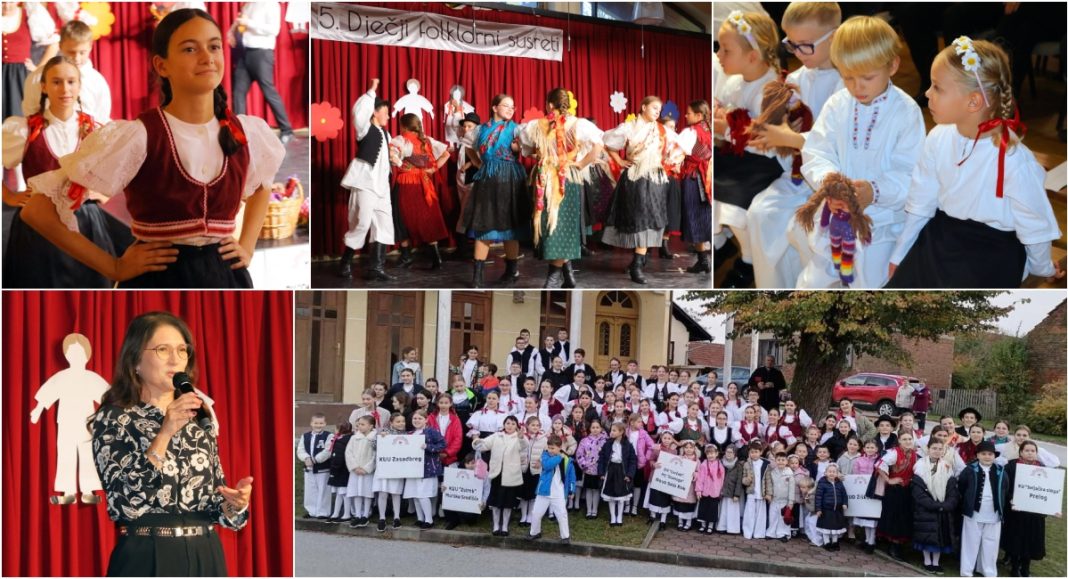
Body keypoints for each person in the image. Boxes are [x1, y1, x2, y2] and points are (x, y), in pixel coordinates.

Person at [22, 9, 284, 289]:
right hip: (159, 279)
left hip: (226, 277)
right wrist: (114, 265)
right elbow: (37, 210)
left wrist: (247, 245)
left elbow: (262, 185)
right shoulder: (139, 135)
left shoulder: (245, 133)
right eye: (190, 48)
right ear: (162, 66)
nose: (207, 57)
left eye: (214, 46)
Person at [887, 38, 1062, 288]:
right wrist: (900, 254)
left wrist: (1042, 268)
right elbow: (921, 202)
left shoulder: (1014, 160)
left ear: (973, 101)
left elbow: (1034, 227)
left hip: (991, 252)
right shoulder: (938, 136)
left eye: (937, 87)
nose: (926, 93)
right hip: (941, 237)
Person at [90, 311, 251, 576]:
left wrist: (234, 503)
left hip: (205, 554)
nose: (176, 359)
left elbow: (214, 505)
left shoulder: (199, 415)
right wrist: (164, 433)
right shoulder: (115, 418)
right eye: (163, 349)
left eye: (182, 350)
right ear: (135, 361)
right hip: (147, 555)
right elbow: (126, 502)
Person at [796, 15, 925, 288]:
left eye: (867, 77)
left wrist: (874, 191)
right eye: (848, 76)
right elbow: (817, 150)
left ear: (892, 65)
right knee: (811, 284)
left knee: (869, 286)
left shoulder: (906, 113)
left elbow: (911, 173)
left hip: (880, 224)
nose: (857, 87)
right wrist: (831, 183)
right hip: (834, 214)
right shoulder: (837, 104)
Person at [3, 55, 130, 288]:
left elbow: (125, 168)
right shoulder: (25, 130)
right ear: (44, 86)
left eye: (71, 82)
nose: (65, 89)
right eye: (56, 82)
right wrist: (9, 195)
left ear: (80, 86)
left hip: (86, 223)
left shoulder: (96, 128)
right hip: (37, 229)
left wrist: (103, 194)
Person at [747, 2, 844, 288]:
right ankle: (774, 292)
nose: (798, 53)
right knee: (760, 213)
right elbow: (786, 141)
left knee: (806, 232)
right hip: (799, 176)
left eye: (806, 45)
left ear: (835, 37)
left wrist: (792, 138)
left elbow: (839, 145)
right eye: (792, 45)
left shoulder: (848, 82)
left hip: (832, 183)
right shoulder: (795, 80)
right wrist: (782, 135)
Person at [712, 10, 782, 287]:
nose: (719, 56)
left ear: (752, 56)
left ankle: (749, 260)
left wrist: (724, 126)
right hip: (735, 156)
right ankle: (718, 241)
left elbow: (763, 137)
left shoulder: (771, 89)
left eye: (726, 50)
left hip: (762, 162)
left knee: (734, 204)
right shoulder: (733, 80)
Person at [519, 88, 603, 288]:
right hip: (567, 176)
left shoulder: (537, 125)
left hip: (550, 177)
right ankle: (568, 275)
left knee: (555, 225)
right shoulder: (580, 124)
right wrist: (580, 164)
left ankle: (553, 275)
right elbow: (598, 146)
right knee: (557, 225)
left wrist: (543, 156)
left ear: (549, 105)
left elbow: (526, 148)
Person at [603, 94, 681, 284]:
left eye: (659, 110)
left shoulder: (663, 130)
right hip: (635, 178)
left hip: (655, 179)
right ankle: (637, 261)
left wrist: (672, 161)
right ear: (643, 107)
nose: (657, 112)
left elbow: (679, 148)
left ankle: (637, 264)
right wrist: (619, 160)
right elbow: (608, 143)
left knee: (650, 219)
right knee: (637, 220)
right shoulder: (629, 127)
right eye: (654, 108)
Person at [462, 93, 527, 288]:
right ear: (494, 107)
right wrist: (478, 162)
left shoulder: (516, 130)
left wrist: (518, 149)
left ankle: (512, 270)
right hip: (488, 179)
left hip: (510, 178)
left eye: (512, 107)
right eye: (506, 105)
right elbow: (468, 147)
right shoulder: (479, 130)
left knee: (510, 226)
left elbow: (529, 149)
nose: (510, 109)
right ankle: (477, 276)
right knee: (484, 225)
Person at [338, 78, 394, 280]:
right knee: (361, 223)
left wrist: (394, 158)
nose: (388, 115)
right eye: (385, 111)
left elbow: (385, 158)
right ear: (374, 112)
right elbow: (359, 113)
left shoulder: (386, 135)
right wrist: (371, 92)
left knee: (383, 223)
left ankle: (376, 268)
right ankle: (345, 262)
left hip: (382, 185)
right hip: (366, 182)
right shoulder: (365, 129)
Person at [389, 112, 450, 269]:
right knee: (426, 218)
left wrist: (398, 161)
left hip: (406, 183)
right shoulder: (426, 140)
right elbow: (446, 154)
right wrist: (431, 170)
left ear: (403, 125)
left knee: (400, 218)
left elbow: (392, 155)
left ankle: (406, 257)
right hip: (423, 182)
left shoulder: (400, 140)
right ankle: (437, 258)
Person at [228, 2, 294, 144]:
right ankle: (240, 131)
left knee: (268, 91)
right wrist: (232, 30)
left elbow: (274, 30)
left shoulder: (271, 5)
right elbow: (241, 20)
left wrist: (249, 23)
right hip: (244, 52)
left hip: (261, 54)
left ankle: (286, 129)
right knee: (238, 93)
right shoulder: (248, 4)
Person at [21, 19, 110, 123]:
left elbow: (102, 118)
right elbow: (30, 112)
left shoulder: (97, 81)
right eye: (71, 52)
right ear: (60, 46)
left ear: (90, 47)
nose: (77, 58)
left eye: (82, 52)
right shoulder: (39, 77)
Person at [1003, 440, 1058, 577]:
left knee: (1030, 541)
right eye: (1027, 450)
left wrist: (1052, 507)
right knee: (1016, 540)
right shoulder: (1011, 466)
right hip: (1016, 512)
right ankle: (1015, 568)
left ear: (1036, 453)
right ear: (1021, 452)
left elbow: (1048, 491)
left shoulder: (1043, 469)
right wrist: (1011, 499)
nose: (1030, 453)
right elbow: (1005, 487)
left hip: (1035, 513)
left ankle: (1026, 568)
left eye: (1032, 451)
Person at [1, 1, 58, 121]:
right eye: (3, 2)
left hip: (19, 77)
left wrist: (39, 68)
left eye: (10, 2)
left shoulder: (30, 15)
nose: (6, 6)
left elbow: (53, 44)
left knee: (18, 116)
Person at [473, 415, 527, 536]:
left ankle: (505, 527)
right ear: (504, 424)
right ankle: (496, 526)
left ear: (517, 426)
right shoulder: (496, 436)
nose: (510, 426)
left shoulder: (519, 437)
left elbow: (524, 446)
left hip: (511, 476)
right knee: (495, 503)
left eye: (513, 424)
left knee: (508, 503)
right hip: (497, 474)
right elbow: (483, 445)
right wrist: (476, 440)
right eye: (508, 423)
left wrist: (521, 437)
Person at [911, 438, 959, 574]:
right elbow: (918, 490)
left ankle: (936, 562)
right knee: (926, 534)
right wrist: (932, 505)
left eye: (940, 449)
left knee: (939, 536)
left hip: (943, 506)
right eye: (934, 448)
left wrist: (947, 504)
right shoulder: (919, 465)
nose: (937, 451)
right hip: (926, 508)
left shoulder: (947, 467)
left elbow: (952, 489)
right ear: (928, 449)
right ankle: (927, 561)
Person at [957, 441, 1005, 578]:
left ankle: (988, 571)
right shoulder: (969, 470)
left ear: (994, 456)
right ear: (977, 455)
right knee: (970, 543)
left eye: (990, 454)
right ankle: (966, 572)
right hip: (973, 513)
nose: (987, 457)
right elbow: (962, 487)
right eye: (983, 454)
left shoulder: (1000, 471)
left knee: (991, 544)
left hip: (994, 513)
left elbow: (1004, 489)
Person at [876, 430, 918, 560]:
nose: (907, 442)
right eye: (904, 439)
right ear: (899, 441)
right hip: (894, 490)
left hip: (907, 490)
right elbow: (878, 465)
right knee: (895, 517)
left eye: (909, 439)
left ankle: (898, 546)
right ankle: (892, 547)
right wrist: (889, 480)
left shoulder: (915, 454)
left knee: (904, 517)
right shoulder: (894, 453)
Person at [527, 435, 576, 543]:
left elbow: (572, 477)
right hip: (544, 491)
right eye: (549, 447)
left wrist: (572, 490)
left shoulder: (567, 460)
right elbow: (547, 465)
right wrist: (559, 457)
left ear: (560, 447)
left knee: (562, 514)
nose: (550, 450)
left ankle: (565, 537)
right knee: (536, 513)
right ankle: (534, 532)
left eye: (553, 448)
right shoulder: (545, 455)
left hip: (559, 493)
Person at [403, 410, 446, 529]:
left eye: (419, 418)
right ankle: (420, 518)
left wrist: (429, 447)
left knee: (423, 495)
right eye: (415, 418)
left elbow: (442, 444)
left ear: (426, 420)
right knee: (415, 495)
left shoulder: (431, 432)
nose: (416, 421)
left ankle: (429, 520)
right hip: (413, 468)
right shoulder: (410, 434)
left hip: (427, 469)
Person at [372, 413, 407, 532]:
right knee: (383, 493)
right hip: (384, 467)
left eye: (403, 421)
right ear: (391, 423)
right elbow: (373, 445)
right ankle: (382, 518)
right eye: (398, 421)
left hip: (397, 468)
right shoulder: (384, 432)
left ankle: (396, 517)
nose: (401, 423)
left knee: (396, 493)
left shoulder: (407, 435)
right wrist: (381, 437)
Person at [599, 421, 637, 527]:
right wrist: (601, 472)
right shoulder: (608, 444)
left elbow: (633, 460)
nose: (611, 432)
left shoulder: (628, 445)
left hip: (622, 471)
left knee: (621, 496)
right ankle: (613, 517)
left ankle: (619, 517)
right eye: (611, 430)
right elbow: (601, 458)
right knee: (610, 496)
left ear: (621, 432)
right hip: (610, 471)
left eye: (614, 430)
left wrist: (629, 474)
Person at [344, 415, 377, 528]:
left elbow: (375, 456)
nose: (360, 427)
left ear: (371, 426)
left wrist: (367, 468)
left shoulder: (374, 438)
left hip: (367, 472)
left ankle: (365, 515)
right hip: (355, 471)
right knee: (356, 492)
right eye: (358, 425)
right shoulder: (354, 438)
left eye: (363, 425)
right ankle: (357, 514)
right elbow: (349, 453)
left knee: (367, 492)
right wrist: (355, 467)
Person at [297, 413, 331, 518]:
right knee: (310, 490)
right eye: (316, 423)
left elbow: (328, 450)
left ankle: (323, 512)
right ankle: (311, 511)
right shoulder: (305, 436)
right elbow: (300, 450)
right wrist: (306, 458)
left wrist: (315, 459)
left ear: (325, 424)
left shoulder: (329, 436)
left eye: (321, 423)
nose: (318, 425)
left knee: (323, 490)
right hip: (309, 468)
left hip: (323, 468)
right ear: (311, 423)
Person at [516, 415, 547, 527]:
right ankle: (523, 515)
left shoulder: (543, 439)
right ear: (527, 426)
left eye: (537, 425)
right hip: (524, 469)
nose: (535, 427)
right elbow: (517, 449)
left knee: (533, 495)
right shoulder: (522, 437)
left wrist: (541, 462)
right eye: (533, 425)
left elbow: (546, 453)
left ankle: (530, 516)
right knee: (524, 495)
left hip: (535, 469)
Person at [851, 439, 880, 553]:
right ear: (864, 449)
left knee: (872, 518)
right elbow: (855, 475)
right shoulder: (859, 460)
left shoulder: (879, 460)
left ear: (876, 449)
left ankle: (872, 541)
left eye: (872, 447)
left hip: (874, 491)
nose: (870, 449)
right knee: (865, 518)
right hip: (862, 491)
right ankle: (867, 540)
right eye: (867, 447)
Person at [645, 430, 678, 529]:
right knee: (655, 496)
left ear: (672, 439)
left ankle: (663, 520)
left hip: (667, 479)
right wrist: (654, 464)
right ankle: (652, 516)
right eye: (665, 438)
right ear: (661, 438)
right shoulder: (657, 449)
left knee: (665, 498)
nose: (667, 440)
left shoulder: (674, 451)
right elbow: (651, 459)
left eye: (669, 438)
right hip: (657, 476)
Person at [576, 418, 607, 520]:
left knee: (596, 490)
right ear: (590, 429)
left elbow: (607, 455)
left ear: (601, 428)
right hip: (588, 470)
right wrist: (584, 465)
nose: (595, 429)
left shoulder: (604, 441)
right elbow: (579, 454)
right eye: (593, 427)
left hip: (599, 470)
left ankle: (595, 510)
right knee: (589, 489)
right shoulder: (584, 441)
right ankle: (589, 510)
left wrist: (604, 468)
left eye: (597, 427)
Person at [741, 439, 770, 539]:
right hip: (751, 492)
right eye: (752, 452)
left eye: (756, 452)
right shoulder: (747, 464)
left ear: (761, 452)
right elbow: (743, 479)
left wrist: (768, 493)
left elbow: (768, 480)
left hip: (761, 493)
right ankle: (748, 532)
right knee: (749, 513)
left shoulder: (765, 464)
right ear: (749, 453)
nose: (754, 454)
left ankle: (758, 533)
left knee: (760, 515)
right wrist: (747, 480)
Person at [814, 463, 848, 550]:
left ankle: (835, 542)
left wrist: (845, 503)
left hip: (837, 510)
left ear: (837, 474)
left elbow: (844, 494)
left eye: (834, 472)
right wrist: (818, 509)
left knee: (836, 528)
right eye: (829, 471)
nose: (832, 473)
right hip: (826, 510)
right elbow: (818, 497)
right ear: (825, 473)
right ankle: (827, 543)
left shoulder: (839, 483)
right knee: (826, 528)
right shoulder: (822, 483)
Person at [764, 451, 796, 541]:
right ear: (775, 461)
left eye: (783, 460)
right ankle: (771, 533)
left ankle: (782, 534)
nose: (781, 462)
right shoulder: (773, 472)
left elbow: (791, 489)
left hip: (785, 500)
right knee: (773, 516)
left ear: (787, 462)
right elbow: (770, 485)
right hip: (774, 499)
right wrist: (769, 495)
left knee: (783, 518)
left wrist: (790, 501)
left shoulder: (789, 473)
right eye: (778, 460)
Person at [325, 420, 352, 523]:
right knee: (340, 493)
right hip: (343, 470)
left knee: (343, 493)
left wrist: (334, 468)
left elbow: (338, 457)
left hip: (341, 471)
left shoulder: (341, 441)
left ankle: (346, 514)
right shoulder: (345, 439)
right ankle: (335, 513)